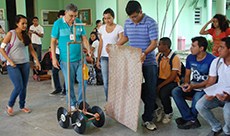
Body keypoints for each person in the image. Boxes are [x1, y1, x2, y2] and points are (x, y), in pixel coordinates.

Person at [116, 1, 158, 131]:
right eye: (130, 17)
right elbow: (126, 38)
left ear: (141, 11)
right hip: (133, 63)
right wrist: (116, 46)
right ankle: (154, 108)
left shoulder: (151, 22)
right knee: (134, 90)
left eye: (135, 16)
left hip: (149, 62)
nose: (133, 20)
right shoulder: (128, 22)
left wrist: (145, 53)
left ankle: (148, 119)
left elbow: (154, 43)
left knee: (150, 90)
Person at [50, 3, 90, 110]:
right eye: (71, 16)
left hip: (81, 59)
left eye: (75, 16)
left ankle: (81, 102)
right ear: (65, 13)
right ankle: (72, 103)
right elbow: (53, 41)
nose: (73, 18)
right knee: (69, 84)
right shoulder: (58, 24)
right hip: (66, 60)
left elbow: (84, 38)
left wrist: (89, 51)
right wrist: (54, 58)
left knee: (84, 81)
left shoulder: (79, 23)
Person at [0, 14, 41, 116]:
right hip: (13, 65)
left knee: (24, 87)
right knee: (18, 86)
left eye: (26, 23)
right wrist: (10, 60)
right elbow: (1, 49)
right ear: (17, 23)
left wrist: (37, 61)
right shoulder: (11, 34)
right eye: (22, 23)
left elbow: (31, 50)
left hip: (25, 64)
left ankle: (22, 106)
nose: (24, 25)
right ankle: (10, 105)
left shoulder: (26, 35)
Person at [171, 36, 215, 129]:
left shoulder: (212, 60)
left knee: (197, 98)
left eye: (193, 46)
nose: (190, 48)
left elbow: (210, 80)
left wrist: (193, 86)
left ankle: (189, 119)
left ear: (201, 48)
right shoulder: (190, 57)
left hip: (206, 87)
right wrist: (186, 84)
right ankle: (190, 119)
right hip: (193, 85)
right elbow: (187, 74)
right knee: (176, 91)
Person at [196, 37, 230, 136]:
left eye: (222, 47)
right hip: (219, 94)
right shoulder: (216, 62)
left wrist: (228, 97)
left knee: (228, 112)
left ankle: (227, 132)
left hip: (229, 96)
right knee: (200, 105)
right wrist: (209, 92)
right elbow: (211, 81)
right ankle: (216, 127)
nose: (218, 49)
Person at [96, 8, 123, 101]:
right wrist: (98, 58)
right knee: (106, 81)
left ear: (113, 17)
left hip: (115, 57)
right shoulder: (101, 28)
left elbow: (121, 42)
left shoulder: (119, 28)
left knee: (115, 81)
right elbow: (100, 44)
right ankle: (109, 101)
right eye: (105, 18)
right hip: (104, 57)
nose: (107, 20)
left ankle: (117, 101)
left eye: (109, 18)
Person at [156, 37, 181, 124]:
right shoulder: (159, 56)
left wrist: (160, 85)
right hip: (160, 79)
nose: (157, 46)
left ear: (166, 46)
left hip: (172, 81)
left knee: (163, 92)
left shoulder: (175, 58)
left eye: (159, 44)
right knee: (145, 88)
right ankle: (158, 108)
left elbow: (173, 76)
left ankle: (168, 112)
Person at [50, 9, 66, 95]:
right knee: (54, 71)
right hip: (57, 52)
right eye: (60, 18)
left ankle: (66, 89)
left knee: (66, 72)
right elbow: (53, 40)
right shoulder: (56, 25)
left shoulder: (68, 26)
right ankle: (58, 88)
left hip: (65, 53)